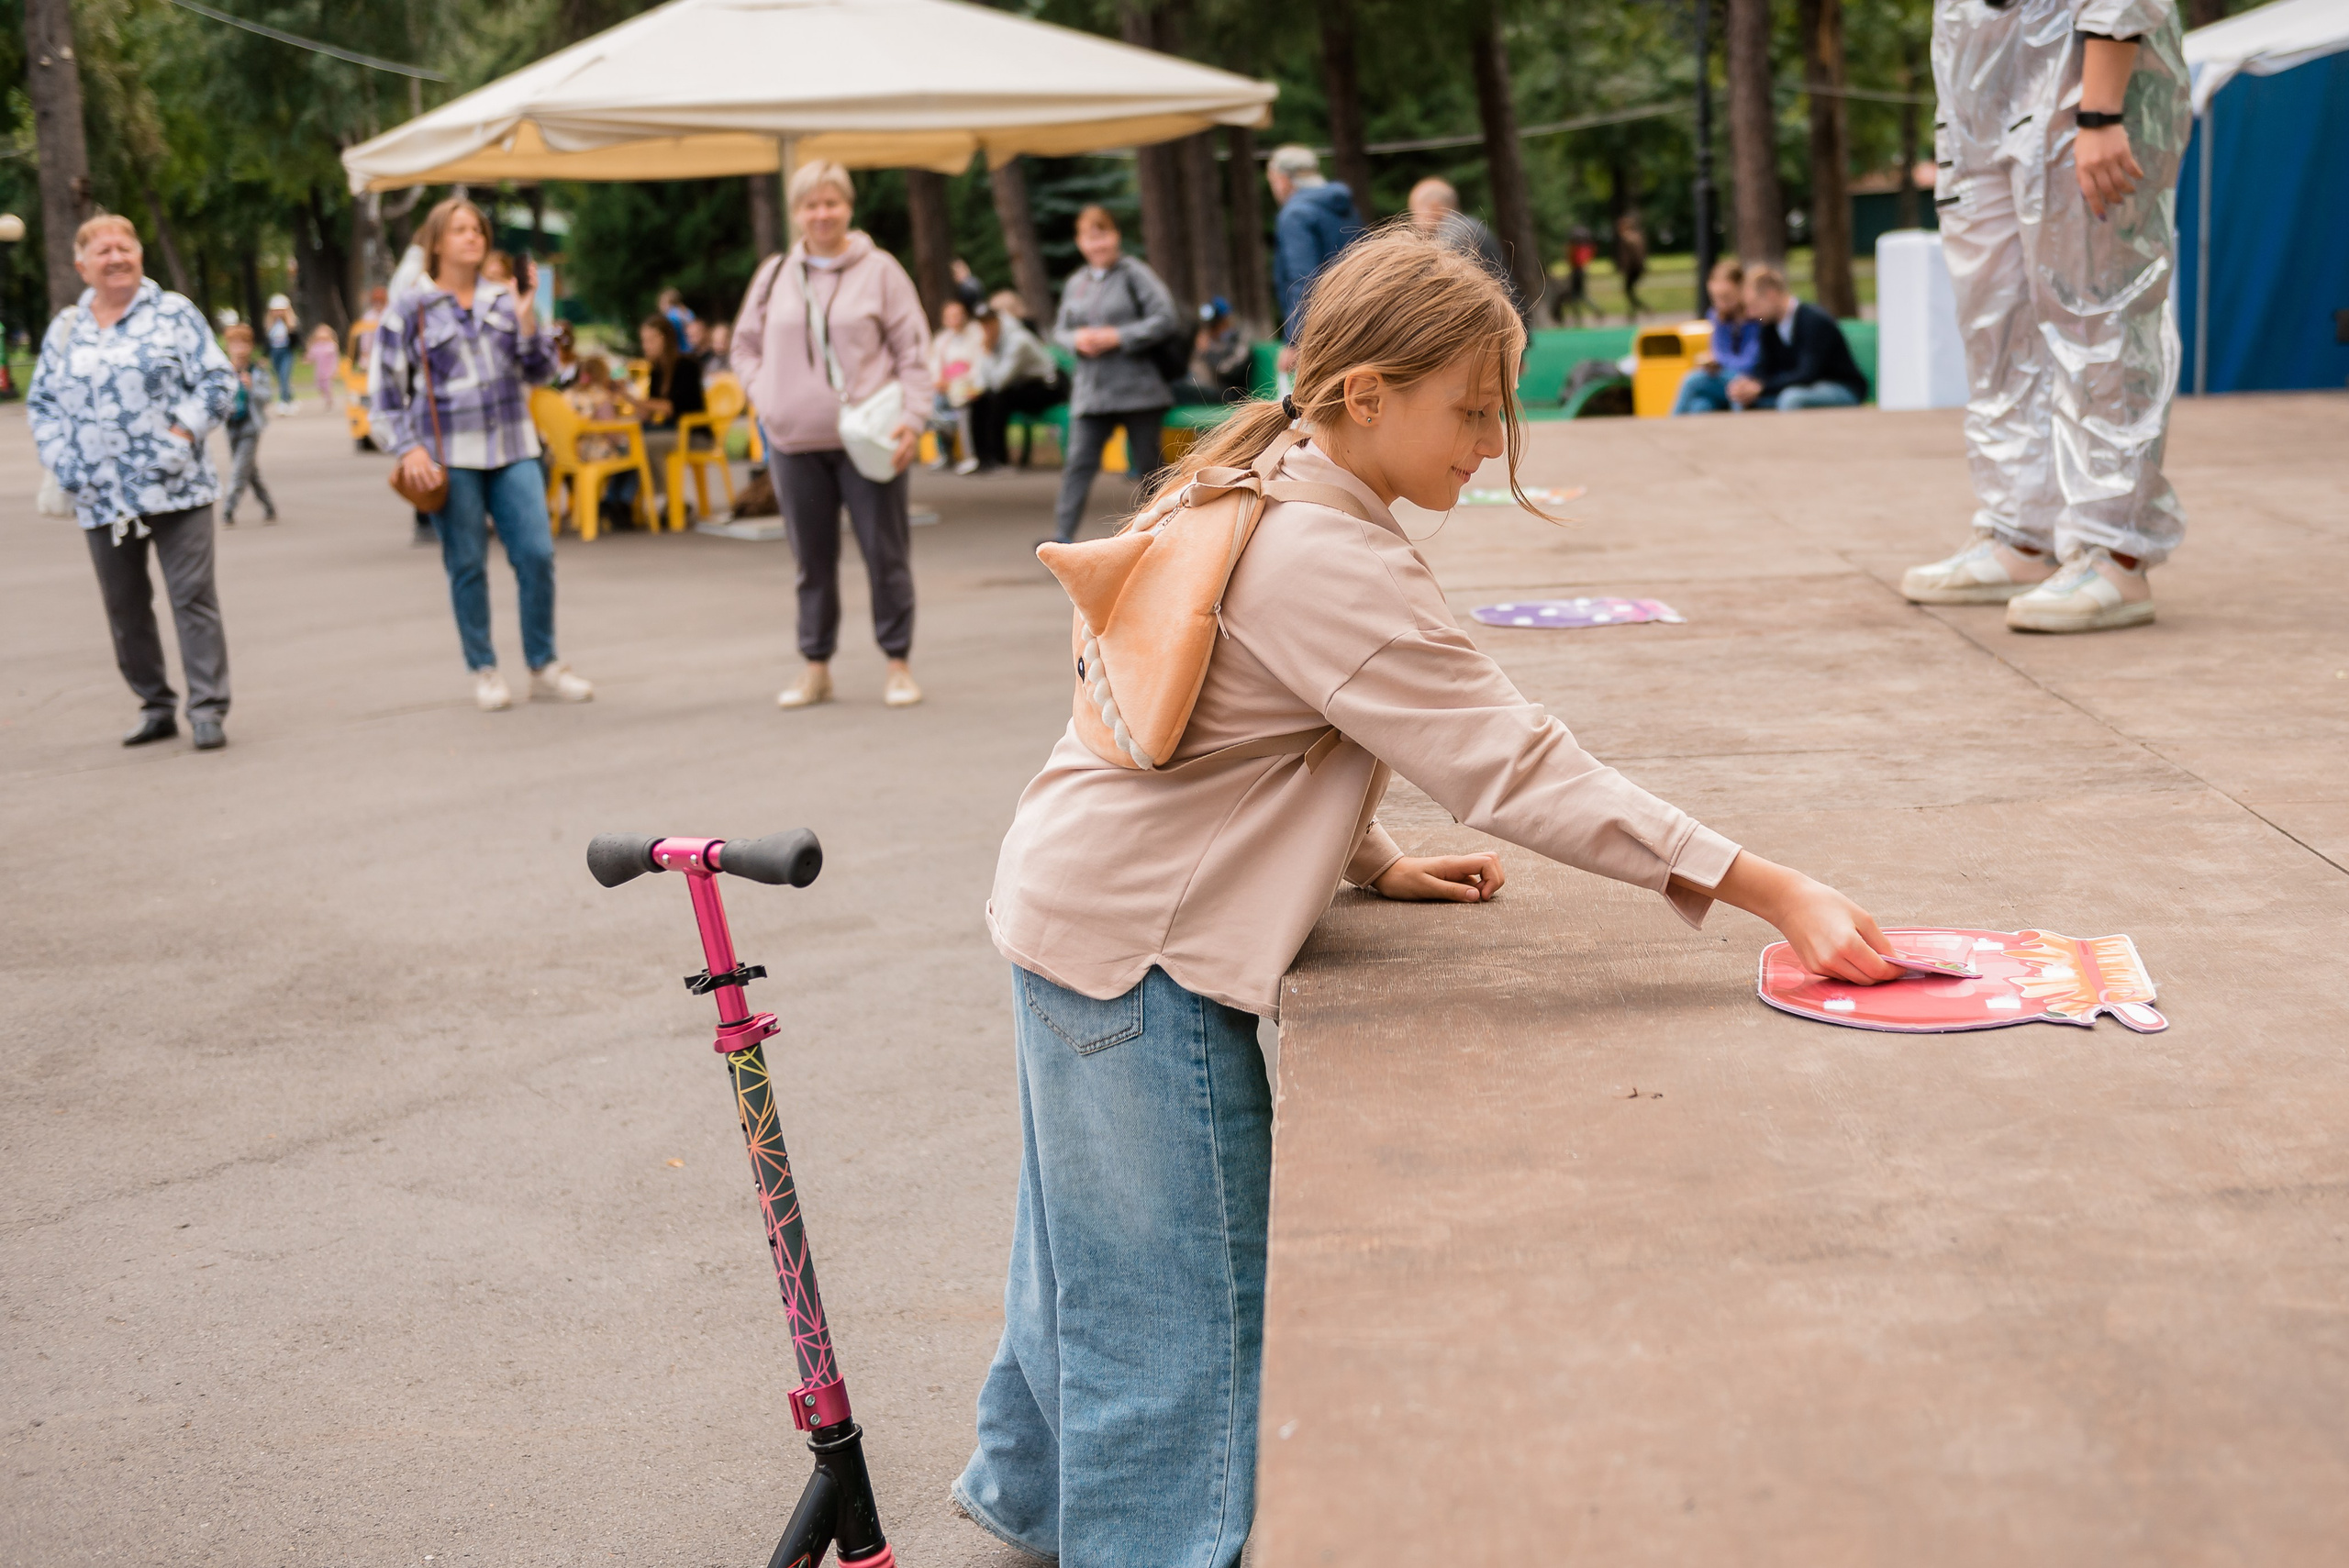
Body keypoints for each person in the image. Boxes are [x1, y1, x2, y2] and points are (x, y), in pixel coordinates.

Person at [952, 228, 1905, 1565]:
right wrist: (1765, 884)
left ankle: (1029, 1497)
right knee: (1184, 1297)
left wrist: (1370, 855)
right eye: (1469, 411)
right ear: (1365, 397)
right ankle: (1157, 1544)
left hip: (1075, 911)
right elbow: (1512, 762)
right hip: (1138, 954)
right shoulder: (1326, 557)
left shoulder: (1269, 485)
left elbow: (1248, 729)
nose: (1486, 440)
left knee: (1087, 1257)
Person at [1899, 0, 2189, 634]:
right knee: (1997, 323)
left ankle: (2114, 550)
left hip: (2080, 85)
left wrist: (2100, 109)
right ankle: (2021, 534)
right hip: (1983, 91)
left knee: (2098, 313)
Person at [373, 196, 595, 713]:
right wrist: (408, 449)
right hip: (452, 456)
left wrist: (526, 319)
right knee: (467, 563)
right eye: (460, 230)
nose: (473, 237)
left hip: (514, 445)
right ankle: (485, 668)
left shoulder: (504, 299)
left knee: (537, 555)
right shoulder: (411, 308)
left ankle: (543, 665)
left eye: (478, 229)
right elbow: (384, 393)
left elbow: (541, 374)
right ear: (436, 242)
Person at [29, 214, 239, 751]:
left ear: (140, 254)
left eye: (124, 246)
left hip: (177, 485)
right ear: (82, 265)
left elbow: (218, 379)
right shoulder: (66, 327)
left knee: (192, 597)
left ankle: (208, 707)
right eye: (103, 250)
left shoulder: (174, 312)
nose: (116, 256)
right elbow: (43, 403)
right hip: (100, 493)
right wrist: (62, 457)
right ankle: (155, 703)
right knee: (124, 605)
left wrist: (180, 433)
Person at [731, 160, 931, 711]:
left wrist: (912, 419)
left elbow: (914, 352)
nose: (822, 214)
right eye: (810, 204)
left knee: (884, 552)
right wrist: (765, 393)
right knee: (810, 560)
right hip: (794, 441)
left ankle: (898, 662)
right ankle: (815, 666)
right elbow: (743, 346)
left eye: (831, 202)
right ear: (796, 213)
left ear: (848, 207)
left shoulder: (882, 270)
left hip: (870, 437)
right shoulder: (775, 274)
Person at [1048, 205, 1180, 545]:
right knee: (1078, 465)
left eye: (1103, 234)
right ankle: (1060, 540)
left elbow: (1165, 317)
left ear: (1115, 236)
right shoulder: (1076, 282)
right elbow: (1059, 330)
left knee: (1149, 468)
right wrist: (1076, 340)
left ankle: (1168, 535)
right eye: (1090, 238)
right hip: (1092, 393)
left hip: (1138, 390)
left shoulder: (1135, 273)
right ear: (1080, 243)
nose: (1098, 244)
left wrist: (1117, 336)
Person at [1266, 144, 1363, 372]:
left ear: (1282, 180)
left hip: (1324, 332)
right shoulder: (1345, 208)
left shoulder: (1295, 214)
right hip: (1360, 319)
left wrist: (1293, 340)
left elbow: (1304, 279)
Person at [1729, 266, 1870, 411]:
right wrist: (1748, 384)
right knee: (1742, 399)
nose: (1750, 313)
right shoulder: (1768, 326)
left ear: (1771, 295)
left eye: (1753, 305)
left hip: (1839, 387)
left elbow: (1806, 373)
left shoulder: (1813, 320)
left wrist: (1761, 387)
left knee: (1792, 399)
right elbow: (1764, 367)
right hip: (1800, 387)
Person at [968, 298, 1063, 471]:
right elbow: (985, 380)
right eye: (983, 325)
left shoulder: (1018, 341)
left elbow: (999, 381)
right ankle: (982, 459)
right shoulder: (992, 340)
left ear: (998, 321)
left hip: (1047, 386)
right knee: (979, 399)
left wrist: (987, 352)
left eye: (990, 323)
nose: (986, 329)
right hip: (1019, 386)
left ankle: (999, 459)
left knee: (998, 399)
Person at [1407, 176, 1519, 314]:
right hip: (1509, 320)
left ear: (1434, 207)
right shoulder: (1470, 226)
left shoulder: (1453, 238)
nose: (1414, 221)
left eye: (1415, 212)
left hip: (1497, 325)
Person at [1671, 259, 1765, 414]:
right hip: (1724, 378)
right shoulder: (1716, 316)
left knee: (1692, 381)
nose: (1721, 304)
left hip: (1750, 379)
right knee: (1700, 406)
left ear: (1742, 289)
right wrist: (1714, 363)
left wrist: (1720, 363)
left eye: (1726, 297)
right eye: (1715, 298)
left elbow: (1751, 361)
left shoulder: (1756, 317)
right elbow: (1718, 350)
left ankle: (1670, 427)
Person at [635, 314, 706, 516]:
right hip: (670, 430)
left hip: (693, 433)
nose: (646, 346)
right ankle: (625, 501)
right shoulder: (656, 370)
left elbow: (669, 407)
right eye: (644, 341)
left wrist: (634, 400)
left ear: (665, 339)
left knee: (645, 444)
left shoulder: (687, 366)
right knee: (628, 443)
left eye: (650, 340)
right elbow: (650, 410)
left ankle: (667, 501)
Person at [219, 324, 277, 526]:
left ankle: (228, 509)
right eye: (235, 343)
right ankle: (268, 504)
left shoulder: (257, 370)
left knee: (238, 469)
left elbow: (267, 397)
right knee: (249, 470)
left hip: (251, 425)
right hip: (231, 424)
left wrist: (251, 387)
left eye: (244, 343)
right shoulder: (223, 370)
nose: (240, 348)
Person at [926, 296, 986, 473]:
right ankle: (945, 452)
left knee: (961, 403)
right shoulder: (942, 340)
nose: (955, 319)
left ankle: (969, 455)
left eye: (958, 314)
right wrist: (939, 381)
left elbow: (978, 364)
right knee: (932, 406)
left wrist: (959, 381)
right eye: (950, 316)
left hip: (967, 384)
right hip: (945, 387)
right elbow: (934, 364)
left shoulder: (975, 334)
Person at [1168, 296, 1252, 406]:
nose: (1211, 329)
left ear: (1225, 321)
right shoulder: (1209, 341)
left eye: (1215, 325)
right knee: (1174, 385)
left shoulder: (1239, 341)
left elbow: (1228, 371)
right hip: (1206, 388)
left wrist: (1208, 352)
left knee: (1176, 388)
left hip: (1228, 394)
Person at [262, 294, 299, 407]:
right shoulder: (270, 325)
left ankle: (284, 401)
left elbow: (296, 342)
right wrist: (265, 356)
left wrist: (290, 329)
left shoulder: (291, 324)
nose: (278, 313)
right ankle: (290, 398)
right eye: (276, 310)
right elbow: (267, 343)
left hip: (286, 353)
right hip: (275, 353)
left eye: (281, 310)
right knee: (280, 378)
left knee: (284, 376)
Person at [1613, 211, 1648, 319]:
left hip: (1632, 268)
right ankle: (1634, 312)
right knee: (1629, 291)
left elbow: (1628, 257)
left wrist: (1624, 268)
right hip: (1638, 267)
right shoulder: (1637, 236)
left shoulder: (1626, 238)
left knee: (1628, 291)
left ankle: (1642, 310)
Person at [306, 322, 341, 412]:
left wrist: (336, 369)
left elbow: (335, 359)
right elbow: (311, 356)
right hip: (319, 370)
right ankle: (325, 396)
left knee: (328, 385)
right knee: (319, 385)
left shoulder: (331, 346)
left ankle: (329, 399)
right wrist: (307, 360)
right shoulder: (315, 347)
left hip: (329, 370)